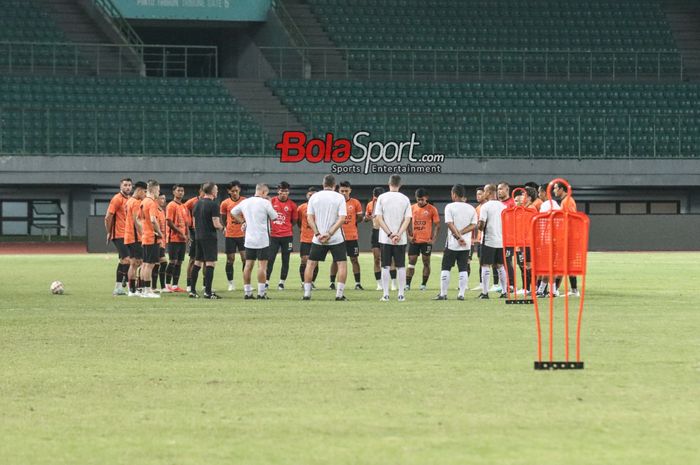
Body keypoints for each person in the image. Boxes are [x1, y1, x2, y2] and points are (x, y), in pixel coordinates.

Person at [302, 174, 348, 301]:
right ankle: (339, 295)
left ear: (323, 184)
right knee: (342, 264)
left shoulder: (314, 197)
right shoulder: (339, 197)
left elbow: (309, 218)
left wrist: (318, 234)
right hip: (336, 238)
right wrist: (330, 233)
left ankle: (306, 294)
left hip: (318, 238)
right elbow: (342, 218)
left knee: (310, 264)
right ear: (334, 185)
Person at [232, 183, 278, 300]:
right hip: (262, 238)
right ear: (263, 192)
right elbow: (275, 217)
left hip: (249, 238)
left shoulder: (245, 202)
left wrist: (243, 221)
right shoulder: (265, 203)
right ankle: (261, 293)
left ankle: (247, 292)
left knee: (248, 265)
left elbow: (233, 212)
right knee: (262, 266)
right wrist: (269, 203)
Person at [434, 184, 477, 300]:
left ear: (454, 194)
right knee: (463, 268)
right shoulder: (471, 208)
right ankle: (461, 294)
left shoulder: (450, 207)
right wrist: (462, 234)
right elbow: (474, 225)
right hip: (466, 245)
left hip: (453, 244)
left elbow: (449, 223)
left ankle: (443, 294)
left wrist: (458, 237)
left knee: (446, 267)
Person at [374, 175, 412, 302]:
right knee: (401, 266)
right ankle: (401, 294)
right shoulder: (405, 199)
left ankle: (386, 294)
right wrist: (399, 234)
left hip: (385, 238)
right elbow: (407, 219)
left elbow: (379, 218)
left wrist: (390, 234)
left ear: (388, 183)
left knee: (385, 265)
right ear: (400, 185)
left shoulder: (382, 197)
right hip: (400, 239)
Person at [190, 182, 224, 299]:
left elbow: (194, 224)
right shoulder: (214, 205)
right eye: (216, 189)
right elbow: (216, 223)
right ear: (212, 191)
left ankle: (192, 290)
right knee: (210, 263)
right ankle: (208, 292)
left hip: (198, 237)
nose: (217, 191)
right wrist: (223, 228)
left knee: (197, 262)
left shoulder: (197, 204)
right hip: (209, 237)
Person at [331, 181, 363, 290]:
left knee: (354, 259)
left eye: (346, 191)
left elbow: (359, 218)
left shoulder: (355, 203)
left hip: (351, 236)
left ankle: (357, 283)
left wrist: (352, 223)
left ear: (350, 190)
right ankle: (332, 283)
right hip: (338, 236)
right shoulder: (334, 202)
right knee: (336, 260)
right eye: (342, 191)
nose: (344, 193)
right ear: (338, 191)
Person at [477, 184, 508, 299]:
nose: (483, 194)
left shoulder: (485, 206)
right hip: (500, 240)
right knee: (500, 266)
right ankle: (504, 291)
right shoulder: (503, 206)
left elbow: (481, 225)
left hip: (488, 240)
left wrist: (478, 226)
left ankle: (485, 293)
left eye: (484, 192)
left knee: (485, 265)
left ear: (489, 192)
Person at [406, 188, 440, 291]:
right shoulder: (411, 208)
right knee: (411, 261)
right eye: (418, 199)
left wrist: (433, 239)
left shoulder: (432, 209)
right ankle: (407, 285)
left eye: (422, 199)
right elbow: (406, 222)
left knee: (426, 262)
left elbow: (437, 225)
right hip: (414, 241)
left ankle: (423, 284)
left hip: (426, 241)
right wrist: (409, 235)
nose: (420, 201)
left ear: (426, 198)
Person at [267, 181, 298, 291]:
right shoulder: (271, 202)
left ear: (288, 192)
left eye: (285, 191)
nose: (283, 193)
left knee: (286, 259)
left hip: (287, 236)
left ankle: (281, 283)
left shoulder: (292, 205)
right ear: (278, 191)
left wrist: (285, 227)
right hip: (273, 236)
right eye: (281, 190)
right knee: (270, 259)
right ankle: (266, 282)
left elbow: (293, 221)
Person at [105, 178, 132, 296]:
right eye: (125, 185)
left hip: (128, 235)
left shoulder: (131, 200)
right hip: (118, 234)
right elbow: (108, 217)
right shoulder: (117, 199)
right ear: (121, 186)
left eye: (130, 185)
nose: (127, 187)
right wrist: (109, 232)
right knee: (127, 259)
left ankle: (119, 287)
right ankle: (123, 283)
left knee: (125, 260)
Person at [554, 181, 580, 297]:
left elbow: (572, 219)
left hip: (567, 238)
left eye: (555, 188)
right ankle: (574, 290)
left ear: (561, 189)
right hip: (567, 237)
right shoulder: (566, 201)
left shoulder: (567, 201)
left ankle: (554, 290)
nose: (554, 191)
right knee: (567, 265)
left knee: (561, 263)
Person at [138, 180, 163, 299]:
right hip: (152, 237)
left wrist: (144, 230)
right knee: (150, 265)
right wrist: (159, 232)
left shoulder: (143, 202)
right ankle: (147, 290)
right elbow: (153, 220)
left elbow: (138, 219)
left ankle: (143, 289)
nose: (159, 192)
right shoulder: (152, 203)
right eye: (158, 190)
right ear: (153, 189)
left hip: (146, 236)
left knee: (145, 264)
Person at [219, 181, 246, 292]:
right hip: (230, 234)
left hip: (243, 234)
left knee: (245, 259)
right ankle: (231, 283)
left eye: (236, 190)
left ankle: (246, 283)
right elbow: (223, 218)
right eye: (232, 191)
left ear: (239, 189)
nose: (235, 193)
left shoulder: (245, 201)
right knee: (230, 260)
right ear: (229, 191)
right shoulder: (225, 203)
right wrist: (226, 227)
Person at [123, 181, 147, 296]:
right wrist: (143, 235)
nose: (145, 195)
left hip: (128, 236)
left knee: (133, 263)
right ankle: (139, 289)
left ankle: (132, 290)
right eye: (145, 192)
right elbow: (136, 220)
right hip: (135, 237)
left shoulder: (128, 201)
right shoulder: (136, 202)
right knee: (141, 263)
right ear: (140, 190)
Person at [165, 184, 188, 293]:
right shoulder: (171, 205)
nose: (181, 192)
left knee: (179, 262)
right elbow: (169, 222)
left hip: (182, 239)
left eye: (182, 191)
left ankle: (175, 285)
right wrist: (180, 232)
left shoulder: (183, 206)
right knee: (172, 261)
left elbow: (186, 223)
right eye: (178, 190)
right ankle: (167, 285)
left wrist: (187, 235)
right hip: (173, 238)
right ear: (173, 192)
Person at [364, 187, 386, 290]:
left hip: (385, 232)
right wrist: (367, 218)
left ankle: (394, 283)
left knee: (389, 259)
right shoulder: (370, 204)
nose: (377, 200)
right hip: (375, 231)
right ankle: (379, 284)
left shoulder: (387, 204)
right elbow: (366, 218)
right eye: (375, 198)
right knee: (376, 259)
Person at [297, 187, 318, 287]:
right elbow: (298, 222)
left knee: (315, 261)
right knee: (304, 260)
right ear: (307, 196)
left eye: (314, 195)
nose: (312, 197)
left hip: (317, 238)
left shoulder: (320, 207)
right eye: (310, 195)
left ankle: (312, 282)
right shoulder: (301, 208)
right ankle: (303, 282)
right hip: (305, 238)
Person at [184, 187, 203, 292]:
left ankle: (205, 285)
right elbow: (184, 213)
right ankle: (189, 284)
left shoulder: (209, 201)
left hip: (204, 232)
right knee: (193, 259)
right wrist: (187, 231)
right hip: (194, 232)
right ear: (200, 191)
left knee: (206, 260)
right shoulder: (192, 202)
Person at [154, 193, 169, 293]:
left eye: (164, 198)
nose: (163, 200)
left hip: (162, 241)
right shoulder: (154, 210)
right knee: (157, 263)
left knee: (162, 263)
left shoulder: (162, 211)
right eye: (161, 198)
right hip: (155, 241)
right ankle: (154, 287)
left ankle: (162, 287)